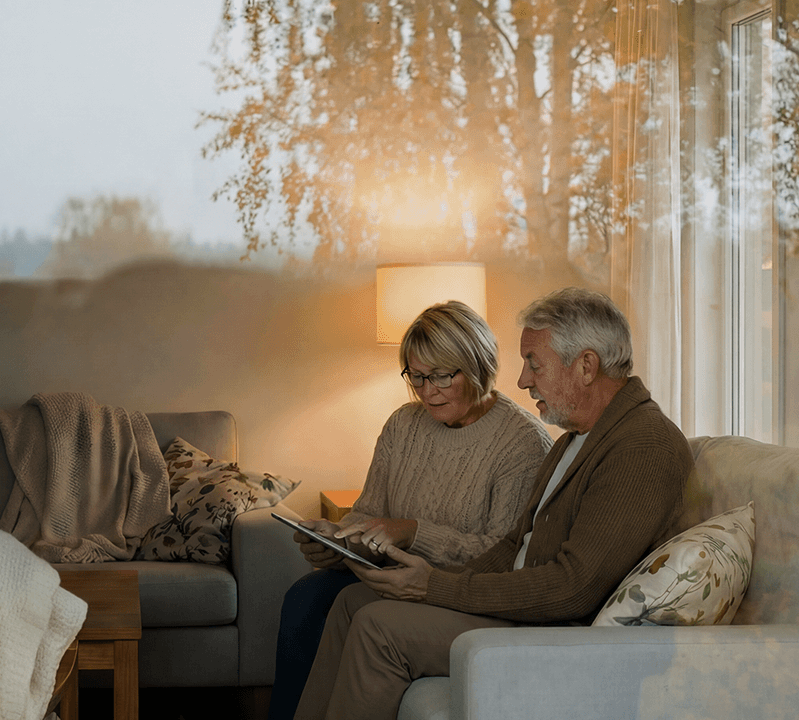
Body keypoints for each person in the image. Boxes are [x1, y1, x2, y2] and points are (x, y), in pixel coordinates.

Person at [291, 287, 694, 720]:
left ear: (586, 366)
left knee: (377, 627)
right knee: (352, 602)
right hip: (521, 611)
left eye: (533, 364)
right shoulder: (577, 438)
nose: (522, 380)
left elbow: (575, 587)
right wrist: (426, 580)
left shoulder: (643, 444)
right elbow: (512, 546)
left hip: (549, 631)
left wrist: (437, 587)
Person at [268, 300, 551, 720]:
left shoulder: (522, 443)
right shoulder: (403, 424)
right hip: (393, 577)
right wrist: (337, 543)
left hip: (454, 589)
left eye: (441, 375)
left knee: (345, 606)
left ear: (476, 365)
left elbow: (501, 554)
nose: (427, 390)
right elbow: (367, 514)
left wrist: (414, 532)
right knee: (305, 598)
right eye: (416, 376)